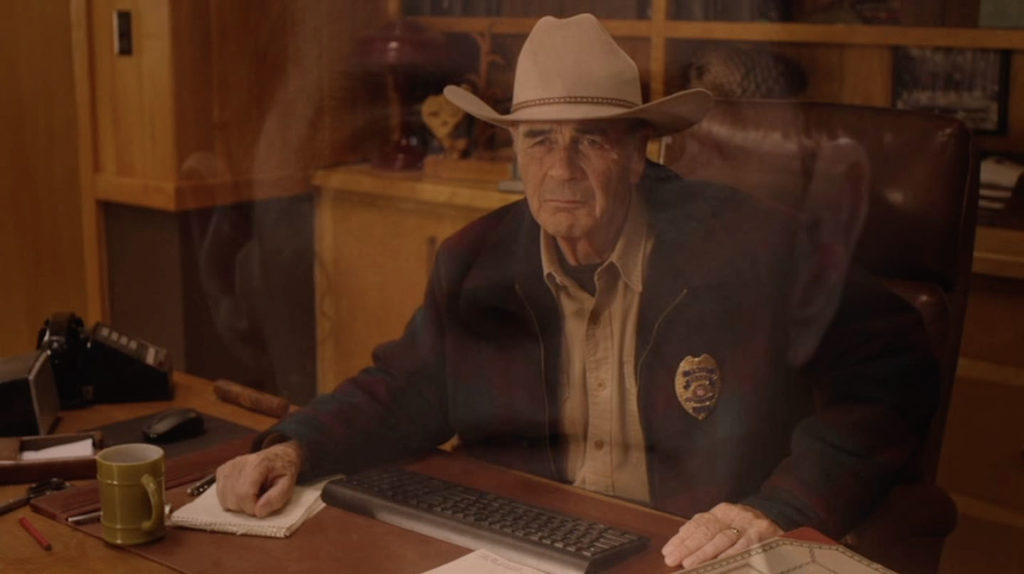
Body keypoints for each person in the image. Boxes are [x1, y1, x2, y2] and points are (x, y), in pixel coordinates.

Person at [215, 14, 936, 569]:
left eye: (588, 139)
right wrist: (292, 449)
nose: (560, 168)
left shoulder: (752, 247)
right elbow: (403, 388)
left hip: (684, 555)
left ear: (634, 152)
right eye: (538, 140)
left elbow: (893, 367)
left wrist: (781, 507)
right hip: (529, 549)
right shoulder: (475, 263)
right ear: (515, 152)